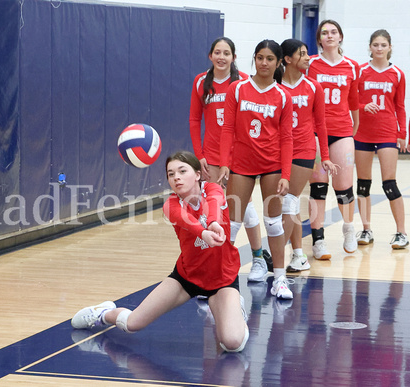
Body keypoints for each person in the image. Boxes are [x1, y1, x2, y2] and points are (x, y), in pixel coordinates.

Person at [71, 151, 249, 353]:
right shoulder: (171, 205)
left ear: (198, 175)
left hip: (222, 280)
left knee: (233, 343)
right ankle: (103, 313)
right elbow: (186, 220)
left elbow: (214, 203)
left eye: (183, 171)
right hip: (186, 278)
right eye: (171, 174)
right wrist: (205, 232)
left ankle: (235, 308)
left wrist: (214, 223)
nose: (177, 178)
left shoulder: (214, 189)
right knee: (132, 324)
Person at [189, 37, 273, 279]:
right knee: (218, 207)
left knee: (241, 204)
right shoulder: (200, 83)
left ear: (234, 57)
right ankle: (220, 260)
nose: (221, 57)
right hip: (212, 157)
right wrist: (199, 155)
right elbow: (195, 120)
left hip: (239, 156)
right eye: (217, 52)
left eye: (227, 53)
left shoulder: (243, 82)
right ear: (210, 56)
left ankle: (257, 257)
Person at [218, 39, 294, 299]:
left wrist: (286, 174)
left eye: (269, 58)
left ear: (278, 62)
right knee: (231, 224)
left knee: (273, 223)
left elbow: (287, 138)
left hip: (272, 164)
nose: (264, 63)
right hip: (241, 164)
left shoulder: (283, 95)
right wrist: (224, 162)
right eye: (260, 57)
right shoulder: (237, 89)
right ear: (253, 59)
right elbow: (227, 128)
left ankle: (280, 280)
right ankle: (220, 278)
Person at [280, 39, 338, 271]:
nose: (307, 58)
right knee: (288, 205)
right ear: (287, 59)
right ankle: (297, 254)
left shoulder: (314, 87)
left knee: (289, 201)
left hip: (303, 149)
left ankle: (272, 255)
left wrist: (324, 155)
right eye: (302, 54)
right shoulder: (275, 85)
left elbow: (321, 125)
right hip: (277, 150)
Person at [306, 19, 360, 259]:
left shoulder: (351, 66)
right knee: (318, 187)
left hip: (341, 130)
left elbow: (354, 101)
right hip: (316, 132)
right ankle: (318, 241)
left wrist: (354, 126)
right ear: (319, 39)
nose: (329, 36)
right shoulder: (311, 65)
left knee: (344, 187)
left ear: (340, 37)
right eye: (324, 33)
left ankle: (349, 228)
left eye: (333, 32)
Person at [355, 29, 409, 249]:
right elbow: (351, 102)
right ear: (370, 47)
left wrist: (402, 133)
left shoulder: (397, 73)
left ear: (390, 47)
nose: (379, 49)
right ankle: (366, 229)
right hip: (362, 133)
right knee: (363, 185)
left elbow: (400, 106)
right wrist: (362, 106)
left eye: (383, 45)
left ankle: (401, 233)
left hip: (387, 131)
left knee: (390, 184)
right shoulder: (360, 71)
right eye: (375, 45)